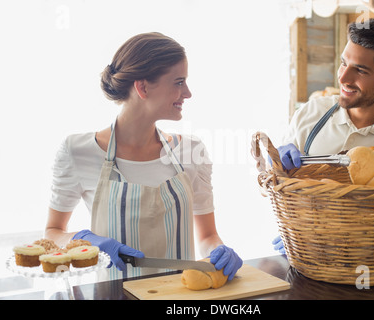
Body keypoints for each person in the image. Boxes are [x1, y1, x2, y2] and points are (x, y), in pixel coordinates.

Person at [45, 32, 242, 280]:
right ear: (143, 87)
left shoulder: (192, 151)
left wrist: (219, 251)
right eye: (179, 82)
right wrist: (82, 239)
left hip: (179, 300)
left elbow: (206, 237)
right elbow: (52, 233)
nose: (188, 93)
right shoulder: (77, 151)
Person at [272, 18, 374, 254]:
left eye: (360, 70)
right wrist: (274, 163)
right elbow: (280, 189)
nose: (343, 78)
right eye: (343, 63)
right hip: (307, 258)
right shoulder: (310, 114)